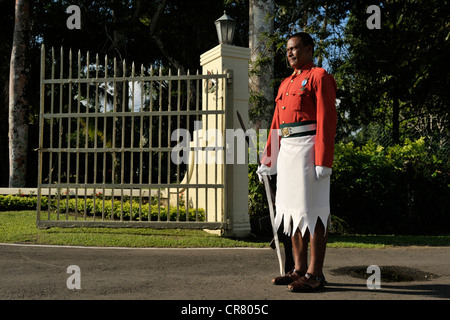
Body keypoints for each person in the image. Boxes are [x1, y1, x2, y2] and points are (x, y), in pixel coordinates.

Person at [257, 32, 337, 292]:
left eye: (295, 48)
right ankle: (298, 270)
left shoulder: (319, 76)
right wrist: (268, 159)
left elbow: (327, 119)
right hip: (289, 152)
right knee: (291, 214)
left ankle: (315, 274)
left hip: (309, 150)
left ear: (310, 49)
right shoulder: (285, 84)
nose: (290, 53)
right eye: (288, 50)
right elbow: (277, 126)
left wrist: (323, 159)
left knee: (313, 213)